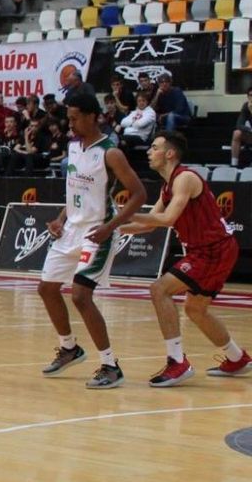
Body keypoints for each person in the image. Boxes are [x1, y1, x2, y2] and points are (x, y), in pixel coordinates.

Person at [121, 131, 252, 386]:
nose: (149, 151)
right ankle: (237, 358)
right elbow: (150, 225)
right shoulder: (167, 185)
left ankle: (177, 362)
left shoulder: (185, 179)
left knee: (159, 290)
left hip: (214, 249)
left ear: (169, 153)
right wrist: (114, 227)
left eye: (155, 147)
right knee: (195, 310)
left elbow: (167, 219)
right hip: (207, 250)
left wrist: (127, 214)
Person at [37, 93, 146, 389]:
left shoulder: (111, 152)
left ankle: (111, 365)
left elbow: (139, 195)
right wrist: (61, 218)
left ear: (92, 116)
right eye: (68, 118)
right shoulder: (73, 147)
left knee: (81, 296)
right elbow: (75, 192)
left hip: (98, 231)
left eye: (74, 118)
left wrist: (110, 227)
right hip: (70, 228)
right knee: (46, 289)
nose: (69, 124)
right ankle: (70, 347)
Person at [230, 86, 252, 167]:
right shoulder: (246, 106)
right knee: (237, 133)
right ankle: (234, 164)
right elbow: (239, 124)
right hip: (250, 134)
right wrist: (249, 129)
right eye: (250, 95)